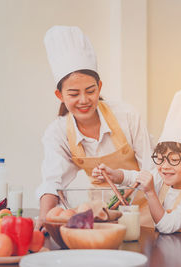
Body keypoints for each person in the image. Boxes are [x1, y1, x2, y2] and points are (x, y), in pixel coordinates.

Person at [35, 25, 154, 230]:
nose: (83, 100)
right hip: (101, 218)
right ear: (60, 96)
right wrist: (45, 219)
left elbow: (151, 170)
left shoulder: (127, 116)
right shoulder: (58, 133)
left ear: (99, 87)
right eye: (73, 94)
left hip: (142, 214)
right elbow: (52, 182)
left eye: (90, 91)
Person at [93, 89, 181, 235]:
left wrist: (150, 192)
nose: (164, 166)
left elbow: (167, 226)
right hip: (171, 249)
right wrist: (113, 174)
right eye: (160, 159)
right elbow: (132, 177)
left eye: (174, 160)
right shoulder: (162, 178)